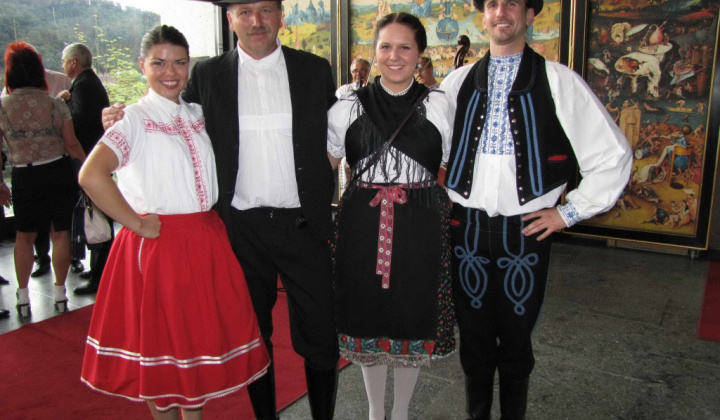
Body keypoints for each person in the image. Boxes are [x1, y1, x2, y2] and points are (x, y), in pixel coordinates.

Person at [103, 1, 340, 418]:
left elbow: (335, 132)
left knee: (320, 334)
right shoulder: (207, 75)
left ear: (281, 15)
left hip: (304, 224)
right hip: (239, 231)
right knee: (253, 333)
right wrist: (116, 117)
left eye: (266, 10)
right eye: (244, 11)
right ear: (230, 19)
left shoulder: (314, 69)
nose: (256, 21)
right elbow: (168, 113)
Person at [439, 0, 632, 418]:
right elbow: (430, 146)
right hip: (465, 228)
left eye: (512, 3)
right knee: (472, 334)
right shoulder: (456, 82)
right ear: (484, 16)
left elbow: (613, 155)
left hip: (525, 232)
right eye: (492, 3)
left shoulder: (558, 81)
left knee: (515, 336)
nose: (501, 10)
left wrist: (568, 213)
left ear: (530, 16)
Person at [79, 25, 270, 419]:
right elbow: (91, 175)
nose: (171, 72)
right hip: (160, 246)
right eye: (159, 63)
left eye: (180, 62)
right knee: (163, 352)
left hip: (204, 240)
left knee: (193, 348)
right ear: (142, 66)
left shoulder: (197, 113)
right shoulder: (133, 118)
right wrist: (136, 222)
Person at [327, 13, 456, 420]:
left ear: (420, 54)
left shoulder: (439, 105)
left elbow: (449, 165)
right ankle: (372, 412)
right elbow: (325, 164)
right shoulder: (346, 107)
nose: (394, 56)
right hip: (361, 224)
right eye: (386, 46)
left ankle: (399, 412)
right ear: (374, 51)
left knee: (411, 312)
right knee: (365, 312)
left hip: (419, 222)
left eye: (405, 47)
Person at [0, 42, 87, 317]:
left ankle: (23, 297)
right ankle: (60, 294)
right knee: (59, 234)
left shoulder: (2, 106)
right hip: (57, 173)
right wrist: (90, 171)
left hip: (24, 175)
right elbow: (72, 145)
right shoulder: (55, 104)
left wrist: (1, 185)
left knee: (23, 237)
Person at [59, 42, 113, 295]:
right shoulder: (87, 83)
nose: (61, 64)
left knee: (97, 218)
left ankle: (100, 275)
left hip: (90, 160)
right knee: (95, 216)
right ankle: (98, 270)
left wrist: (63, 107)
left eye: (63, 60)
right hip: (95, 159)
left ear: (73, 62)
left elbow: (78, 122)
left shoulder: (83, 85)